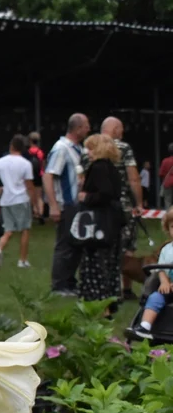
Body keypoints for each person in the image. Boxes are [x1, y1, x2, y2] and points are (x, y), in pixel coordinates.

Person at [90, 117, 143, 299]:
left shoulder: (89, 147)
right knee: (126, 247)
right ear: (115, 129)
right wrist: (139, 203)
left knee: (101, 247)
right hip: (122, 206)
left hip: (95, 207)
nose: (122, 133)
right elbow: (133, 177)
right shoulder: (123, 148)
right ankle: (125, 289)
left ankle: (101, 286)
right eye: (120, 129)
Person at [44, 113, 90, 296]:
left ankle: (70, 281)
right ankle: (59, 284)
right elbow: (49, 175)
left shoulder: (78, 149)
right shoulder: (61, 148)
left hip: (78, 204)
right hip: (67, 204)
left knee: (76, 244)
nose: (88, 129)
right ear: (77, 128)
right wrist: (54, 205)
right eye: (86, 126)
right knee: (65, 244)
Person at [77, 134, 125, 309]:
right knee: (111, 264)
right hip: (113, 224)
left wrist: (86, 196)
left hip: (98, 224)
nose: (87, 152)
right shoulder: (112, 168)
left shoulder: (98, 168)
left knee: (95, 264)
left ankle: (98, 304)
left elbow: (105, 194)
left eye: (90, 148)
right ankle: (109, 301)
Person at [0, 134, 37, 269]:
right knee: (25, 229)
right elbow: (29, 185)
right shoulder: (25, 164)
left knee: (9, 230)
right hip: (21, 199)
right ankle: (22, 260)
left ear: (11, 145)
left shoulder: (0, 162)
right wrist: (34, 202)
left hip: (6, 199)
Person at [132, 207, 173, 340]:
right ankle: (145, 326)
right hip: (168, 288)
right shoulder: (167, 250)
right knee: (155, 298)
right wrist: (164, 281)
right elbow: (160, 269)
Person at [161, 144, 173, 210]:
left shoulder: (165, 161)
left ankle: (169, 219)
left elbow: (161, 173)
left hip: (167, 183)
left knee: (168, 202)